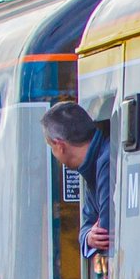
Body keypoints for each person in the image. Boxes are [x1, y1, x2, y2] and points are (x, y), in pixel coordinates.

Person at [41, 101, 109, 259]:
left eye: (51, 147)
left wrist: (92, 236)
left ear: (60, 146)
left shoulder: (104, 162)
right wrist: (88, 237)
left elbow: (105, 231)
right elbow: (87, 228)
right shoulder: (91, 166)